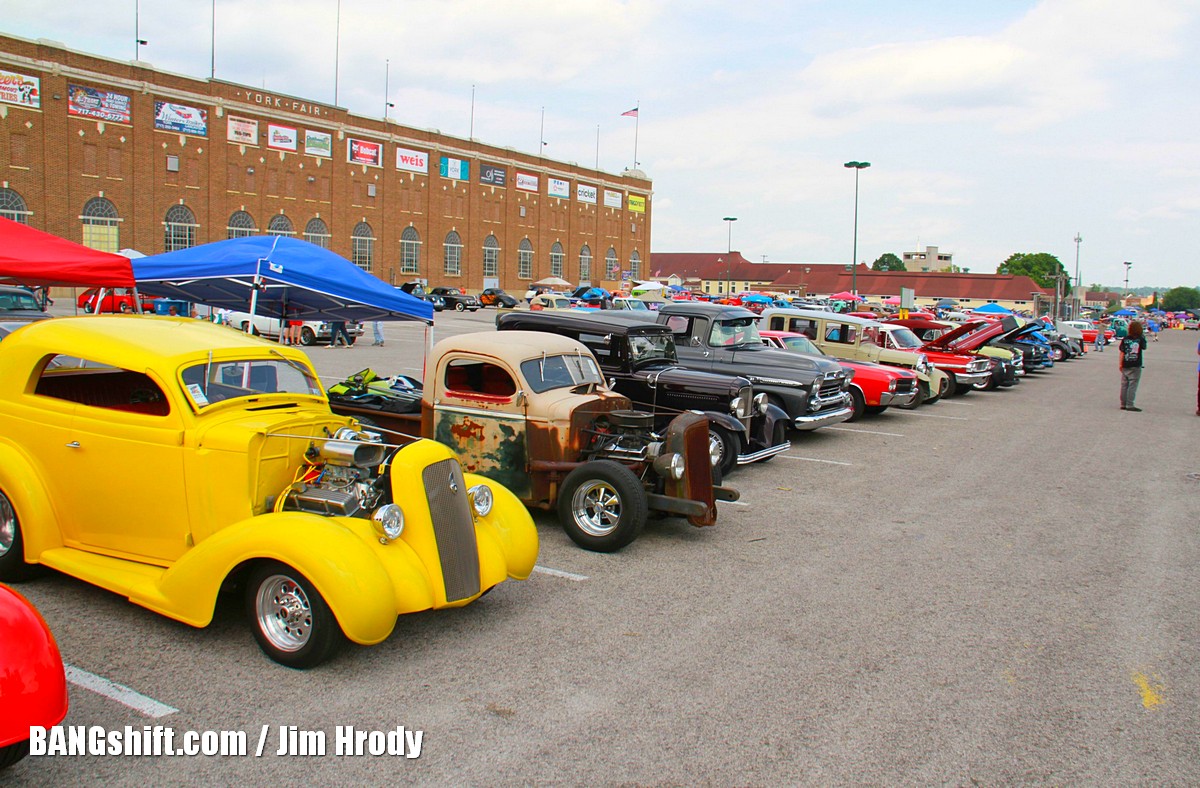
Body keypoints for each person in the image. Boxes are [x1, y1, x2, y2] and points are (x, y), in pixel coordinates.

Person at [1118, 321, 1146, 411]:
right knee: (1132, 385)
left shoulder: (1125, 339)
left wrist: (1120, 363)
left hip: (1126, 363)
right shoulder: (1140, 339)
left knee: (1124, 385)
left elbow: (1122, 352)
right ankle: (1130, 404)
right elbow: (1144, 347)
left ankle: (1123, 403)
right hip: (1136, 364)